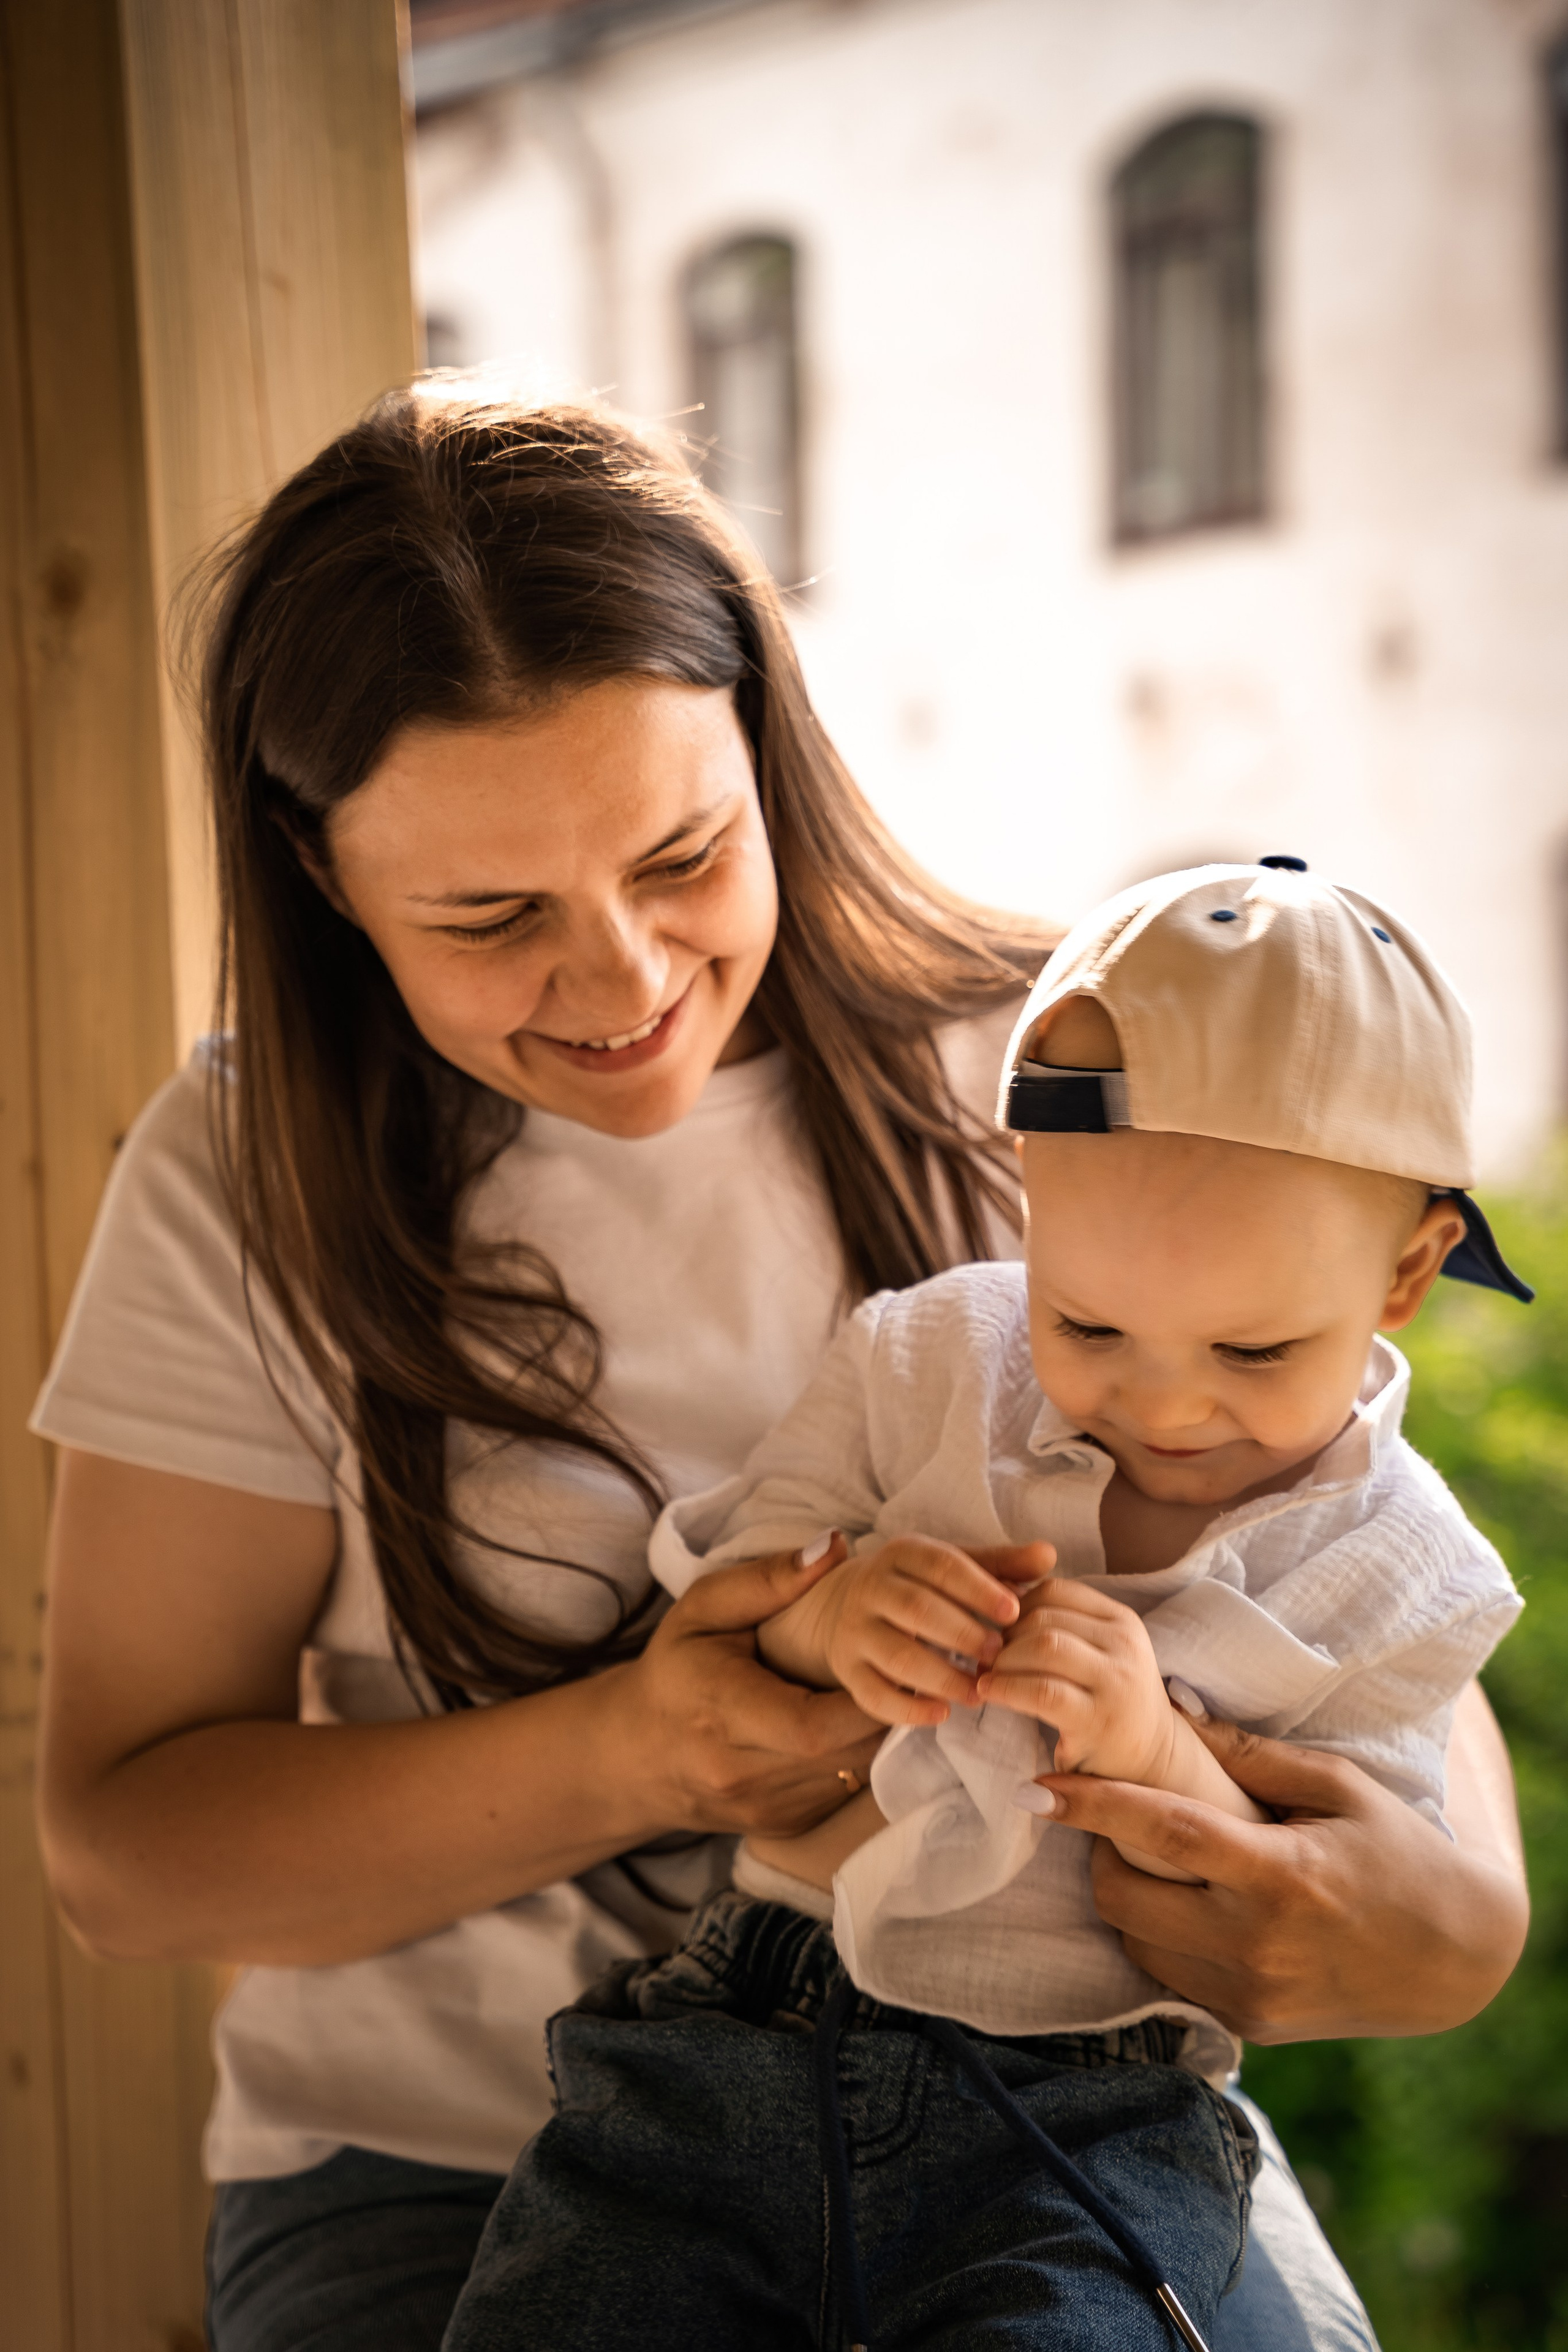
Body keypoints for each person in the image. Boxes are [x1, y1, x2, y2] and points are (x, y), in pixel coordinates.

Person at [29, 394, 1526, 2352]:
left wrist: (1449, 1916)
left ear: (767, 739)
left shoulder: (1060, 1076)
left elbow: (1343, 1559)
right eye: (492, 919)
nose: (630, 978)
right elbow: (131, 1853)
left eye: (682, 853)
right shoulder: (251, 1173)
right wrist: (653, 1746)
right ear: (321, 873)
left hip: (1042, 2109)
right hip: (449, 2158)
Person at [440, 863, 1525, 2351]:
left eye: (1253, 1348)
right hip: (746, 2030)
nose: (1161, 1399)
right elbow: (735, 1603)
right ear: (1031, 1206)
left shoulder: (1404, 1569)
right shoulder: (924, 1357)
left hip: (1086, 2110)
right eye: (1085, 1320)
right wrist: (833, 1615)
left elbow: (1330, 1888)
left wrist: (1153, 1753)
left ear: (1408, 1272)